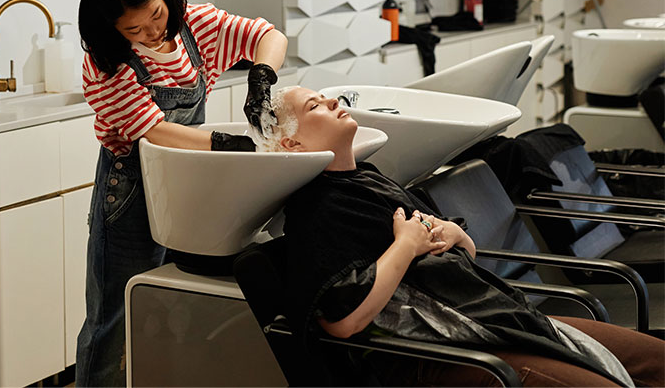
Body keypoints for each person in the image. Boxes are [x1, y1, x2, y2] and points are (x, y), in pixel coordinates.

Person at [265, 85, 664, 387]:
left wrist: (452, 232)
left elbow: (463, 259)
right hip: (441, 350)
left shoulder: (369, 179)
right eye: (314, 106)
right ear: (291, 143)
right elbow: (343, 321)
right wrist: (406, 245)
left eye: (326, 97)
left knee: (656, 360)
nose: (334, 102)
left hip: (492, 319)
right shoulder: (317, 208)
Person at [74, 0, 287, 387]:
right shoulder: (104, 65)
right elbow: (155, 131)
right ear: (111, 29)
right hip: (131, 189)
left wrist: (261, 76)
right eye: (134, 29)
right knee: (113, 316)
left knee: (179, 305)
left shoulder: (195, 24)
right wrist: (227, 144)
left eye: (156, 14)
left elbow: (268, 35)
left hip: (187, 184)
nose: (152, 32)